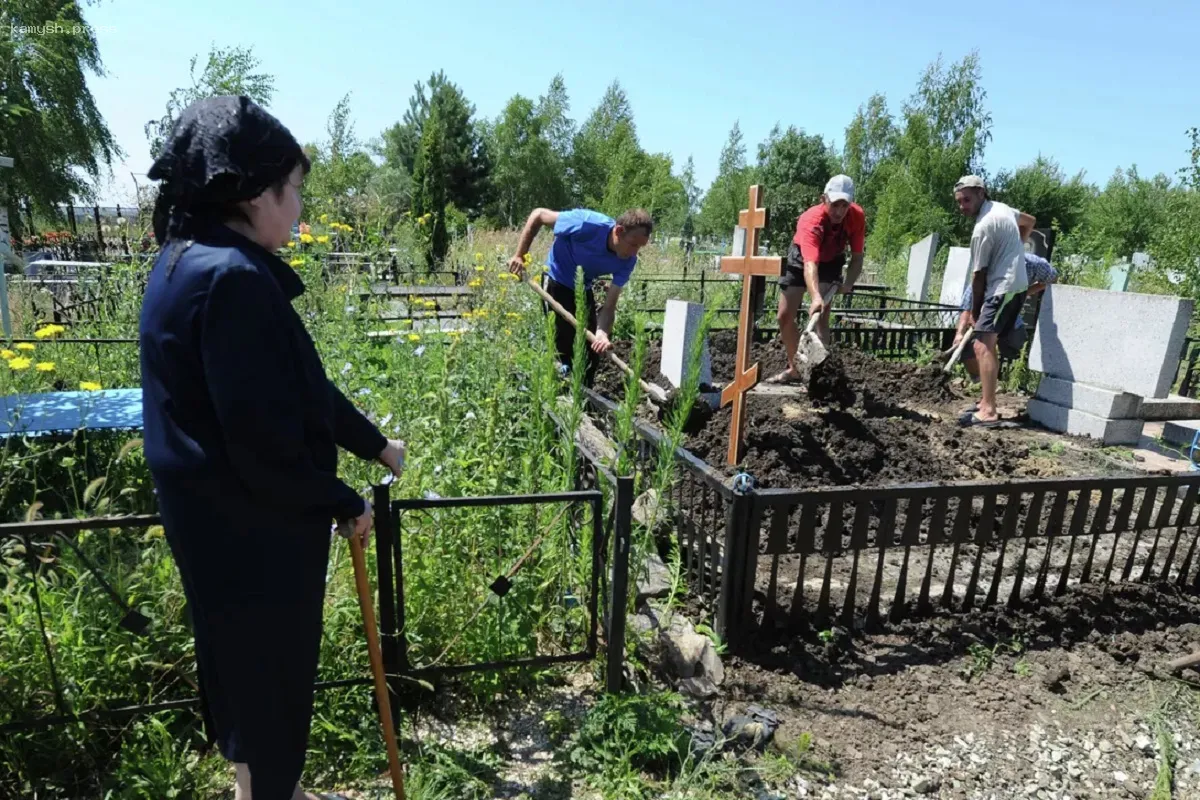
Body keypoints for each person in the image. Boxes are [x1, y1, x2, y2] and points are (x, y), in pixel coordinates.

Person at [139, 95, 406, 800]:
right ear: (256, 194)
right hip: (252, 530)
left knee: (238, 671)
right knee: (271, 679)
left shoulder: (183, 259)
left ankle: (253, 787)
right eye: (294, 189)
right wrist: (341, 500)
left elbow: (296, 386)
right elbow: (264, 444)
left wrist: (375, 445)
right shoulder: (232, 280)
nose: (300, 208)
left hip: (209, 522)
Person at [508, 207, 653, 385]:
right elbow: (538, 215)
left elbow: (609, 307)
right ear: (618, 231)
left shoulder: (628, 261)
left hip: (583, 287)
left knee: (591, 351)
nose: (635, 252)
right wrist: (519, 256)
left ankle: (584, 397)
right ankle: (559, 391)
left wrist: (602, 333)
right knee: (562, 347)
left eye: (640, 247)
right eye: (633, 244)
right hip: (556, 280)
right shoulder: (586, 224)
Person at [952, 175, 1037, 427]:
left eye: (967, 200)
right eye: (959, 202)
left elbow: (978, 276)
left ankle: (988, 410)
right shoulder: (1003, 209)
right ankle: (985, 401)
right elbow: (1030, 221)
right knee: (988, 344)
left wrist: (975, 312)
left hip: (1002, 288)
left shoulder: (983, 227)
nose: (962, 206)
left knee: (981, 345)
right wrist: (1016, 247)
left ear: (981, 193)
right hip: (1015, 286)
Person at [769, 174, 866, 383]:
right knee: (784, 316)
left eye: (844, 205)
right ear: (824, 199)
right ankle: (795, 369)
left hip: (831, 260)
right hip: (802, 258)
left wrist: (848, 283)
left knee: (822, 317)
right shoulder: (811, 221)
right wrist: (815, 297)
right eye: (835, 205)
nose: (839, 212)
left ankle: (820, 377)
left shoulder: (856, 216)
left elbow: (857, 257)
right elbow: (810, 264)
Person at [949, 250, 1058, 380]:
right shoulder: (986, 270)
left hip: (1009, 317)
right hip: (984, 317)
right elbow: (967, 306)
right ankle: (981, 381)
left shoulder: (1033, 264)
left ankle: (1005, 377)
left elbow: (1052, 278)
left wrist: (1024, 293)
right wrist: (960, 333)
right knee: (969, 351)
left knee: (1015, 344)